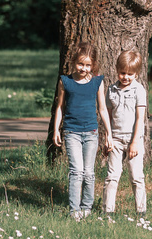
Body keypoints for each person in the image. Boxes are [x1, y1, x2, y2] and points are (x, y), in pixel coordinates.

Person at [53, 42, 113, 221]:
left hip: (91, 133)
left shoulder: (97, 82)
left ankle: (87, 207)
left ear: (93, 65)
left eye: (88, 65)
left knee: (89, 172)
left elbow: (102, 109)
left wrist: (109, 133)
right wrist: (56, 129)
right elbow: (60, 108)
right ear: (74, 62)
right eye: (80, 64)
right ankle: (74, 210)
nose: (84, 68)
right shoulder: (66, 81)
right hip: (72, 133)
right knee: (76, 171)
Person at [102, 50, 147, 217]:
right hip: (115, 139)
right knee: (112, 176)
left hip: (133, 139)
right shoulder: (112, 89)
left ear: (136, 74)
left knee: (136, 177)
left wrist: (135, 142)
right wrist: (107, 138)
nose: (125, 77)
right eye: (122, 73)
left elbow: (140, 118)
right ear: (117, 70)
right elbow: (107, 115)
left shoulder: (139, 90)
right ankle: (108, 212)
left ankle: (141, 212)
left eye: (130, 74)